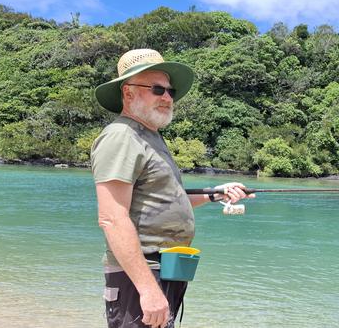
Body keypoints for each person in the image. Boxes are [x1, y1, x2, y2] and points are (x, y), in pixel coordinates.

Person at [90, 49, 254, 328]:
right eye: (157, 89)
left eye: (170, 91)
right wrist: (147, 289)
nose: (167, 97)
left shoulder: (150, 138)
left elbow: (166, 201)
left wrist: (216, 193)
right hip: (143, 272)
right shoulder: (121, 136)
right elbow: (112, 218)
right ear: (128, 93)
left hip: (166, 268)